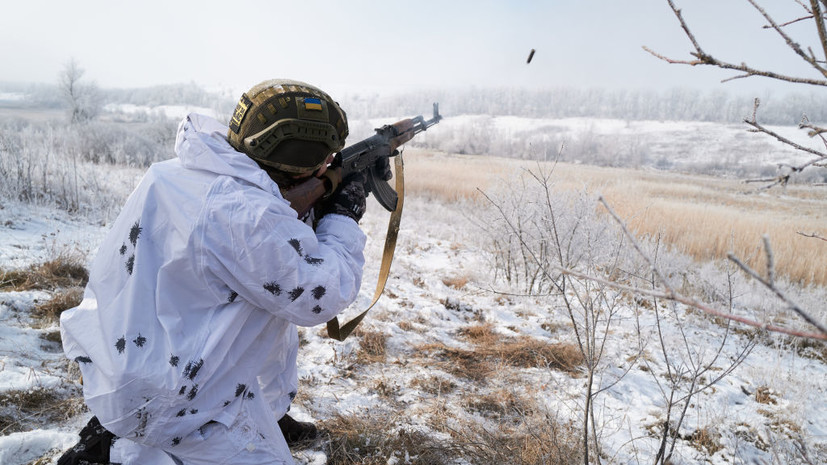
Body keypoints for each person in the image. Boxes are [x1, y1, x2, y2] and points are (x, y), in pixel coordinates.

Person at [58, 79, 371, 465]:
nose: (328, 166)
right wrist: (343, 215)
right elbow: (318, 293)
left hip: (134, 363)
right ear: (300, 166)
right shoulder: (246, 214)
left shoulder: (180, 171)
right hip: (176, 403)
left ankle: (262, 416)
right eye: (324, 161)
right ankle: (116, 449)